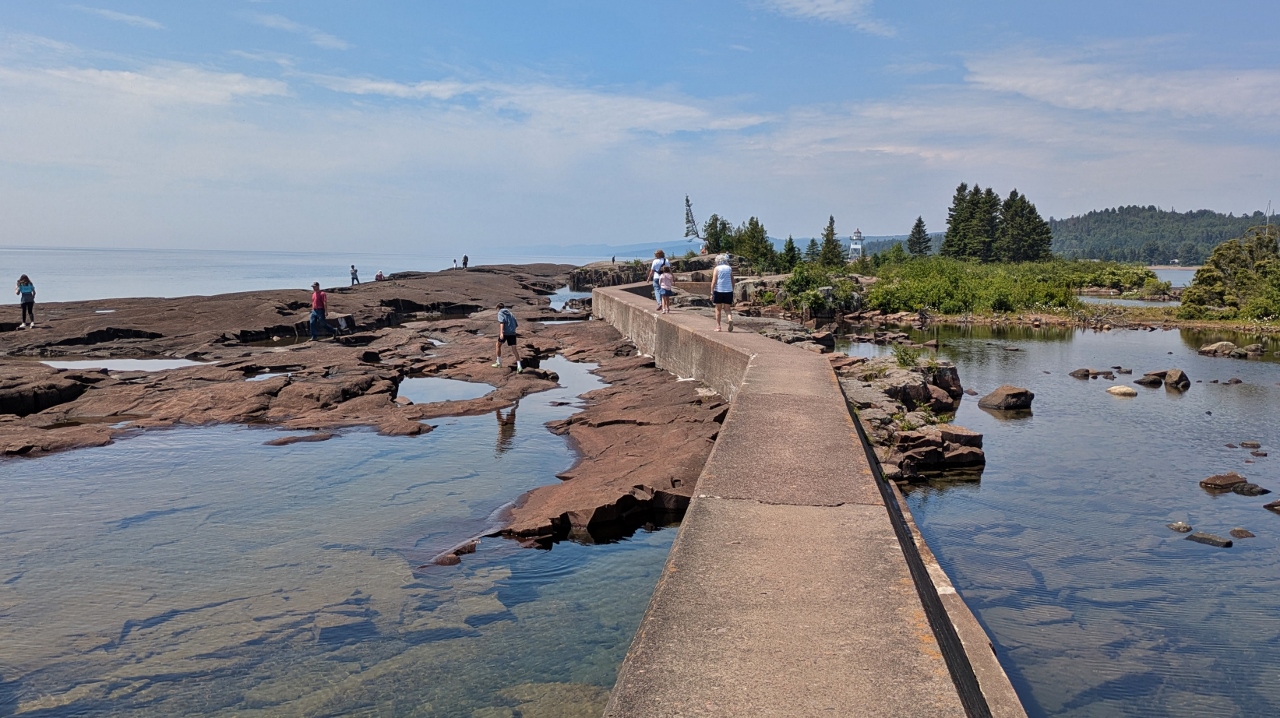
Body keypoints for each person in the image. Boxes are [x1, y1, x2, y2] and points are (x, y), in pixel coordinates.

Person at [492, 302, 522, 371]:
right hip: (512, 333)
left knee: (498, 345)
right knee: (514, 349)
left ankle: (498, 363)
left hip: (505, 333)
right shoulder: (510, 313)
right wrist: (512, 330)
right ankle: (519, 366)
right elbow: (516, 324)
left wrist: (501, 333)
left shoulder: (500, 313)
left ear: (498, 308)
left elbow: (501, 323)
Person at [711, 254, 734, 332]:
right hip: (728, 291)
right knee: (727, 309)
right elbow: (733, 280)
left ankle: (718, 326)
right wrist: (732, 290)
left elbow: (714, 281)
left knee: (718, 309)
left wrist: (711, 292)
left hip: (719, 290)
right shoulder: (729, 268)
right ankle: (730, 319)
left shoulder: (717, 268)